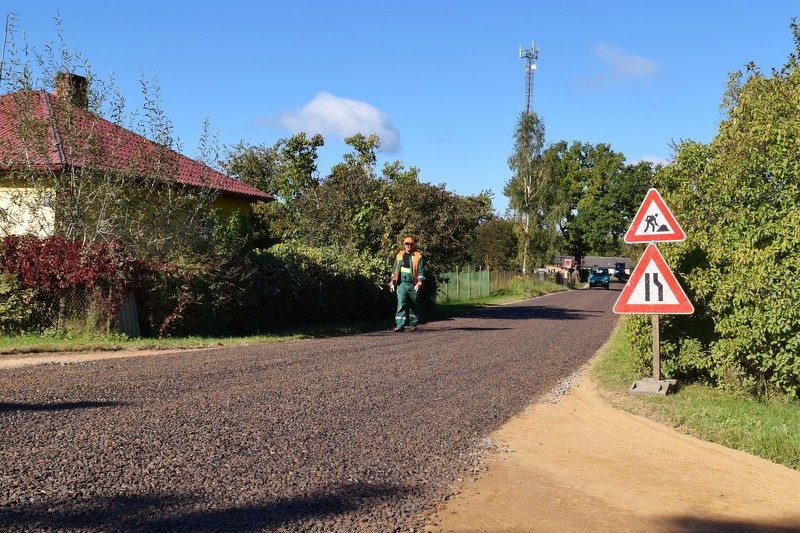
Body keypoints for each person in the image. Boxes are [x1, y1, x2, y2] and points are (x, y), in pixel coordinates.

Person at [389, 236, 425, 332]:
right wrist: (392, 282)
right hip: (401, 284)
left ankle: (414, 324)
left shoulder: (418, 256)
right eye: (406, 244)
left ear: (412, 245)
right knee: (401, 304)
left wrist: (419, 282)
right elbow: (394, 270)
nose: (408, 246)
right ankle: (400, 325)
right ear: (404, 245)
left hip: (413, 284)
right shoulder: (399, 255)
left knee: (414, 304)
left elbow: (421, 271)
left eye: (409, 244)